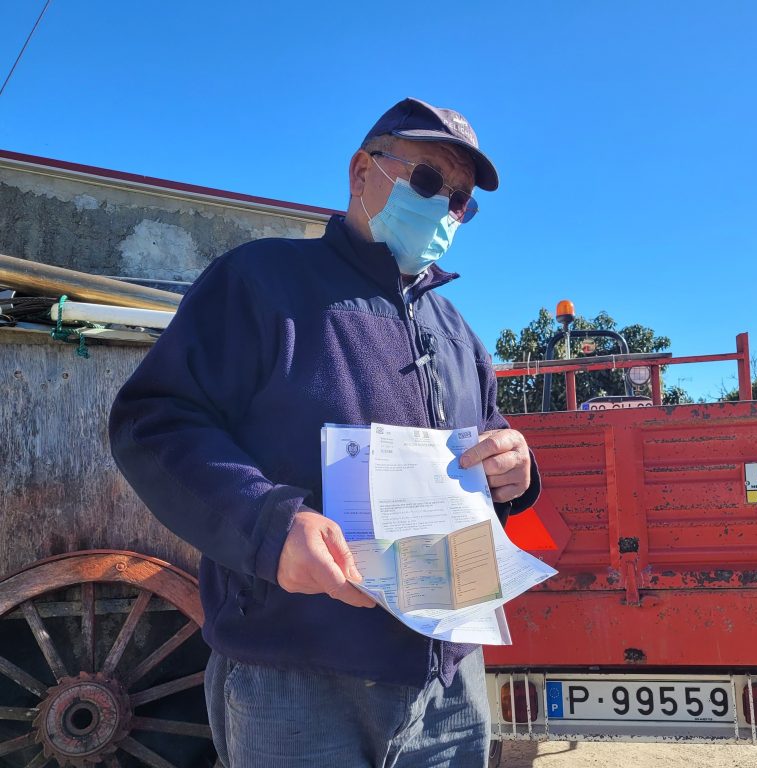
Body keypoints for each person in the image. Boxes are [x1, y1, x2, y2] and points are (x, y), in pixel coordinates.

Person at [108, 97, 541, 768]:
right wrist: (270, 526)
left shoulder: (457, 332)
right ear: (362, 171)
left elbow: (489, 440)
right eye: (428, 179)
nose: (444, 209)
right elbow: (155, 423)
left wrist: (516, 470)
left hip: (450, 684)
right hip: (295, 681)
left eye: (460, 201)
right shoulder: (260, 283)